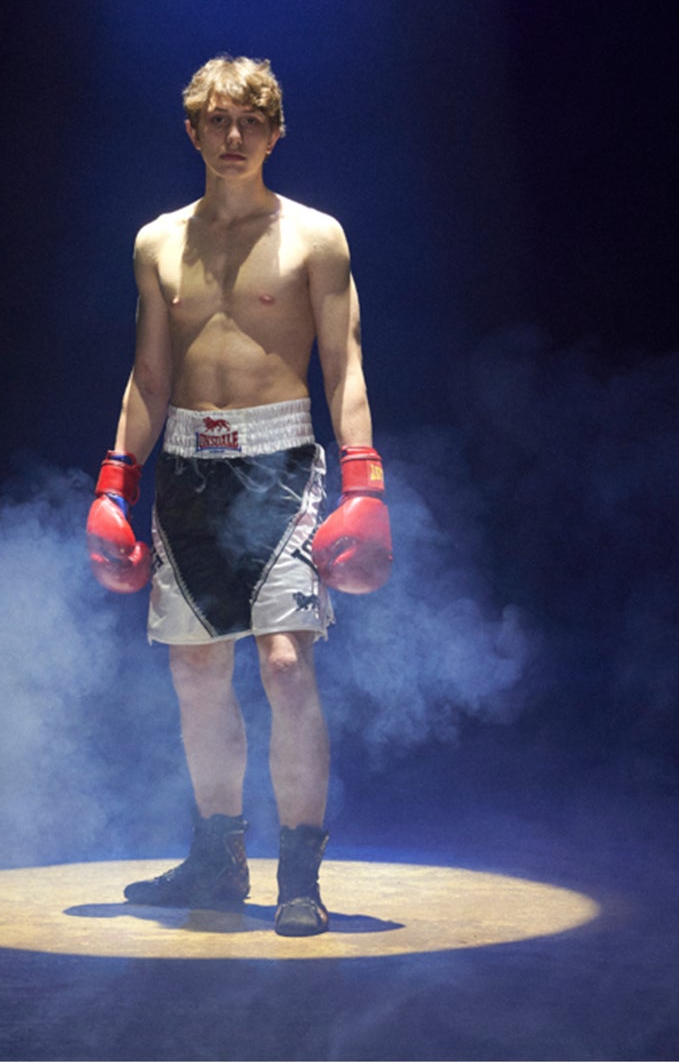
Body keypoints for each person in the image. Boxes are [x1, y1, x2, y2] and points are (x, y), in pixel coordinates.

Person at [85, 55, 393, 937]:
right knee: (195, 670)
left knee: (287, 665)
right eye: (217, 121)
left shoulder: (315, 238)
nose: (233, 136)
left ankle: (300, 875)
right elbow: (150, 375)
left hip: (281, 467)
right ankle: (217, 863)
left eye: (250, 121)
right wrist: (116, 478)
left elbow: (344, 366)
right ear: (192, 131)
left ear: (275, 132)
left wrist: (365, 480)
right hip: (187, 468)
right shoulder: (157, 242)